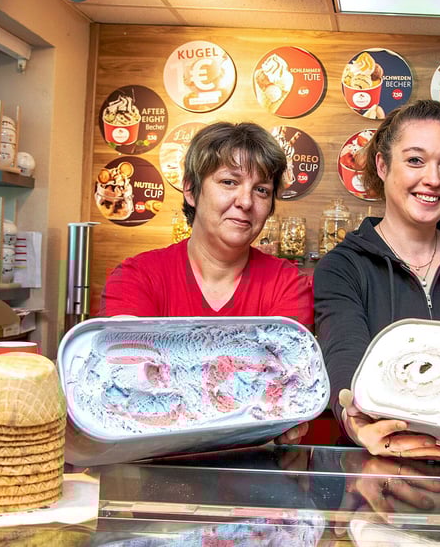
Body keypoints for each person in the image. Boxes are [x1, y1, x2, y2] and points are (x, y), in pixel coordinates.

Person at [314, 100, 440, 459]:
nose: (433, 179)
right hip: (378, 467)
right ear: (382, 164)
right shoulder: (342, 266)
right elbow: (345, 355)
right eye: (415, 160)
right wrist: (357, 421)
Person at [101, 121, 314, 443]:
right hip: (152, 462)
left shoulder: (287, 283)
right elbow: (129, 382)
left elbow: (282, 389)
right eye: (229, 182)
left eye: (261, 190)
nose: (245, 202)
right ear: (190, 189)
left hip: (255, 469)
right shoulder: (137, 277)